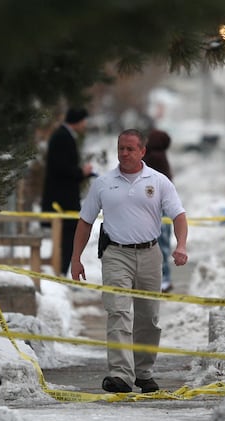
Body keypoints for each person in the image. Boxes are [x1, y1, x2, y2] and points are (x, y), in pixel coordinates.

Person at [71, 129, 188, 394]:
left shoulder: (158, 182)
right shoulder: (103, 183)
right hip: (115, 254)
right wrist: (76, 258)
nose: (124, 153)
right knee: (119, 313)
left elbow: (179, 215)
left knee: (148, 318)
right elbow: (85, 221)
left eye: (130, 149)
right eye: (121, 148)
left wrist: (181, 245)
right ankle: (120, 375)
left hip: (149, 254)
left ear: (142, 151)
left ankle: (144, 372)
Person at [41, 107, 94, 275]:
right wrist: (81, 172)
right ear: (78, 120)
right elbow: (61, 168)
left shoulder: (63, 136)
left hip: (64, 196)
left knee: (68, 235)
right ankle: (62, 271)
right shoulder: (62, 137)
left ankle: (62, 270)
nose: (85, 124)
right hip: (62, 198)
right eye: (84, 120)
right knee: (68, 235)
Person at [142, 128, 175, 293]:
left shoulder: (151, 156)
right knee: (162, 244)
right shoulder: (157, 157)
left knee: (155, 245)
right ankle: (163, 279)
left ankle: (158, 279)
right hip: (160, 208)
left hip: (153, 208)